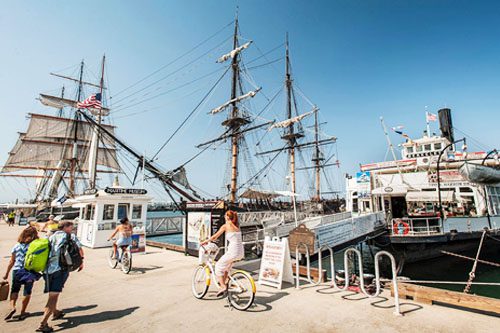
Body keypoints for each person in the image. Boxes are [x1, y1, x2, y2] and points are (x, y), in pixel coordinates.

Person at [38, 221, 84, 333]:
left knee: (53, 293)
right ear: (66, 227)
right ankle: (43, 323)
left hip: (47, 270)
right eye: (71, 227)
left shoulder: (50, 236)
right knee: (53, 296)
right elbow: (80, 250)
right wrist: (81, 261)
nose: (72, 230)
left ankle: (55, 312)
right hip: (60, 269)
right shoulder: (70, 236)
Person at [201, 210, 244, 297]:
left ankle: (223, 287)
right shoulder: (237, 226)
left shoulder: (226, 226)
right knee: (226, 269)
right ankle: (226, 282)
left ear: (227, 217)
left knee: (218, 266)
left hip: (233, 251)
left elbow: (214, 237)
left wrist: (205, 241)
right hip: (240, 252)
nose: (224, 217)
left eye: (225, 215)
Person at [3, 226, 39, 321]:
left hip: (17, 271)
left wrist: (6, 274)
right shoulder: (34, 246)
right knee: (27, 292)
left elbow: (12, 261)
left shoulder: (17, 246)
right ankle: (23, 313)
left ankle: (12, 307)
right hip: (29, 271)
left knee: (14, 290)